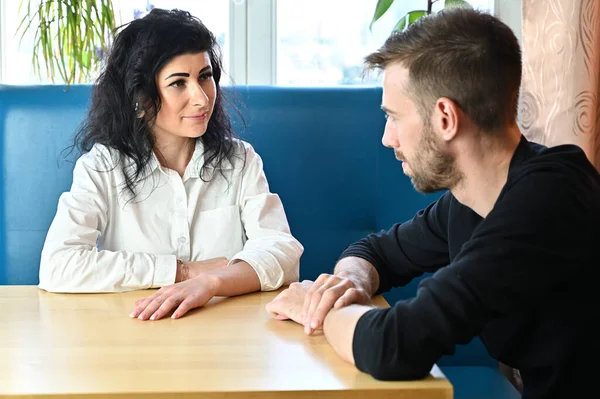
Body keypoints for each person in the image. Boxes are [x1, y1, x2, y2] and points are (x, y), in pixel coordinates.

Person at [266, 7, 598, 399]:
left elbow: (396, 346)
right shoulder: (471, 199)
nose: (387, 138)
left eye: (393, 117)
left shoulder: (550, 199)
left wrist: (318, 307)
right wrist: (348, 282)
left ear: (445, 117)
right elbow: (376, 252)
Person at [38, 8, 303, 321]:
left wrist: (211, 282)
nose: (202, 98)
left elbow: (284, 255)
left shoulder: (240, 160)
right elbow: (58, 265)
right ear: (140, 99)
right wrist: (180, 271)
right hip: (135, 336)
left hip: (229, 336)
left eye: (205, 77)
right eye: (179, 83)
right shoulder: (102, 167)